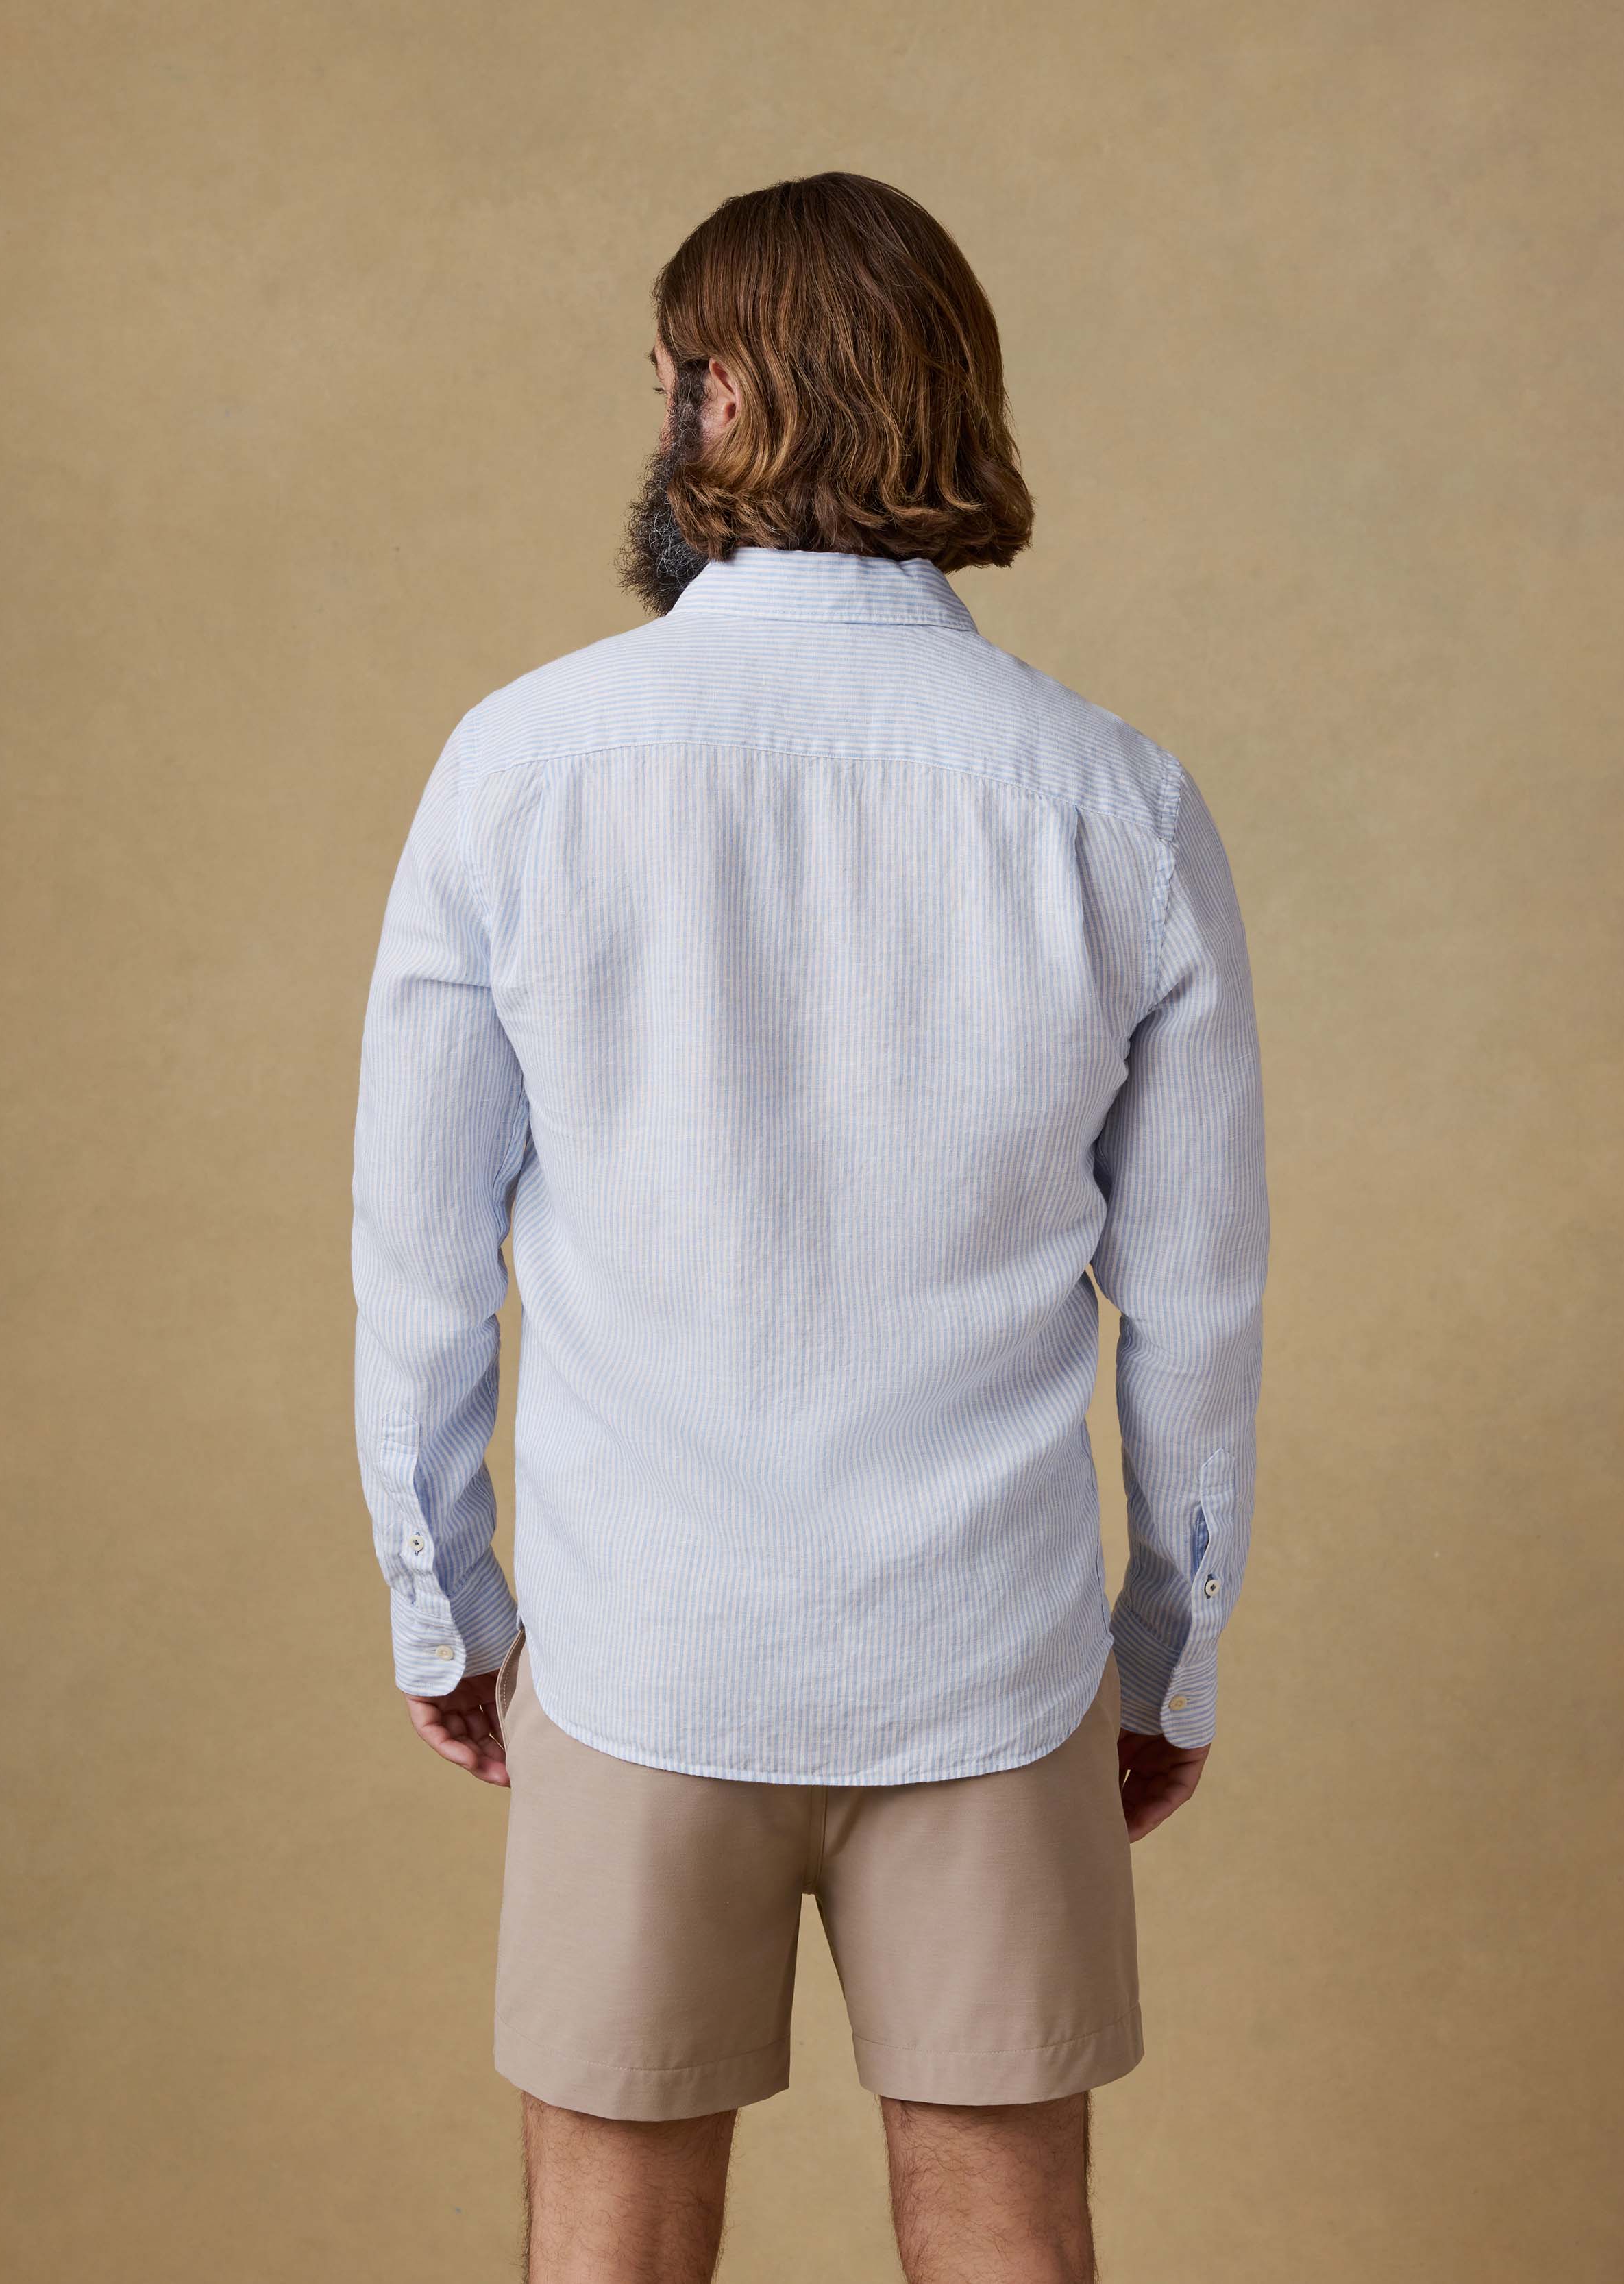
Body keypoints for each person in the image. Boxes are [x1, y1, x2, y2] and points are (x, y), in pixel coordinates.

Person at [351, 169, 1270, 2284]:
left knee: (609, 2240)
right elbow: (1194, 1307)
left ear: (726, 397)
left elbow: (422, 1265)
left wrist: (446, 1607)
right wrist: (1164, 1656)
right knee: (1004, 2232)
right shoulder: (1113, 802)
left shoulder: (522, 764)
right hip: (987, 1648)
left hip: (641, 1639)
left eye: (672, 378)